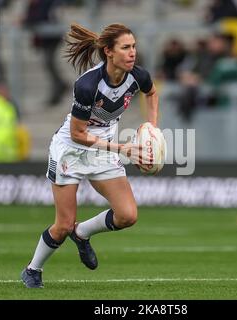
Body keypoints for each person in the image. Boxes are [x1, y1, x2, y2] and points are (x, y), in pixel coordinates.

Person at [21, 23, 158, 288]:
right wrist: (124, 149)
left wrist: (151, 128)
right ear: (108, 51)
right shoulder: (88, 85)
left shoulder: (137, 75)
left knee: (128, 215)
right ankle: (32, 269)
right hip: (71, 151)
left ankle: (82, 233)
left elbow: (151, 93)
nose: (133, 53)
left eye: (134, 47)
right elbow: (78, 135)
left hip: (102, 150)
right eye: (126, 48)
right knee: (62, 226)